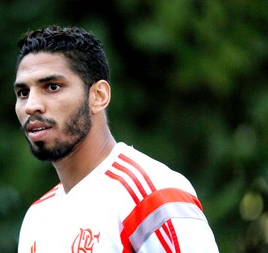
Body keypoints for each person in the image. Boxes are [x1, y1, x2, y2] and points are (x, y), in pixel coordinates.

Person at [13, 25, 219, 253]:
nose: (31, 105)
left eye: (52, 87)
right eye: (23, 93)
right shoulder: (37, 219)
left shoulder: (151, 197)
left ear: (98, 96)